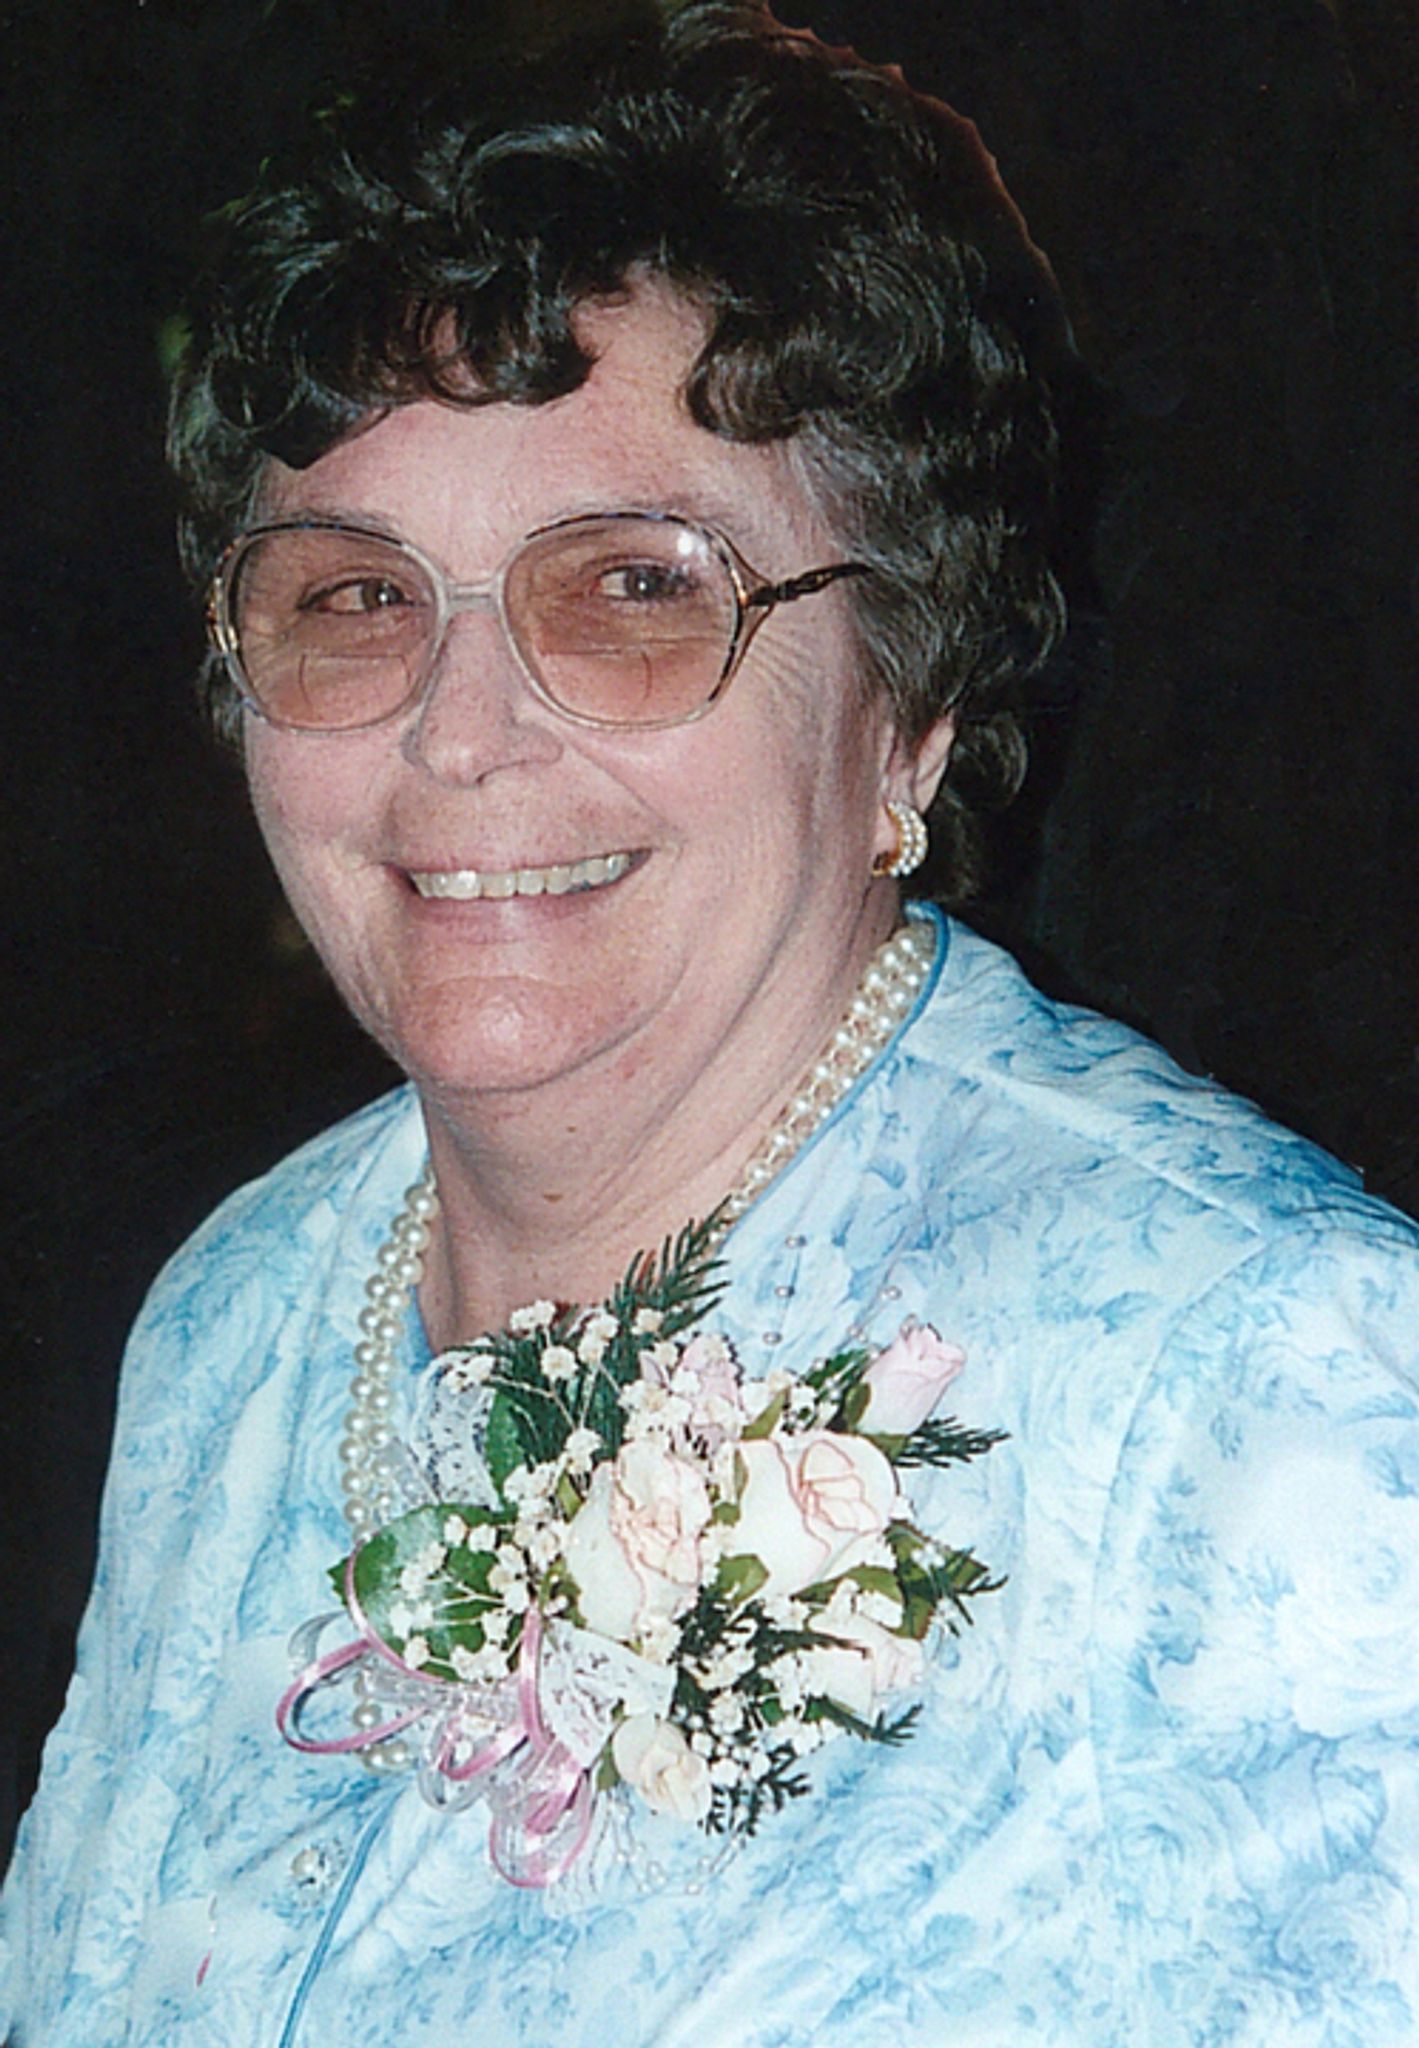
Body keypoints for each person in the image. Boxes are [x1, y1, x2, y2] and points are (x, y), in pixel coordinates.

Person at [5, 4, 1419, 2042]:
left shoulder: (1261, 1390)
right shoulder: (237, 1312)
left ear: (911, 706)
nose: (459, 739)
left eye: (633, 590)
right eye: (355, 597)